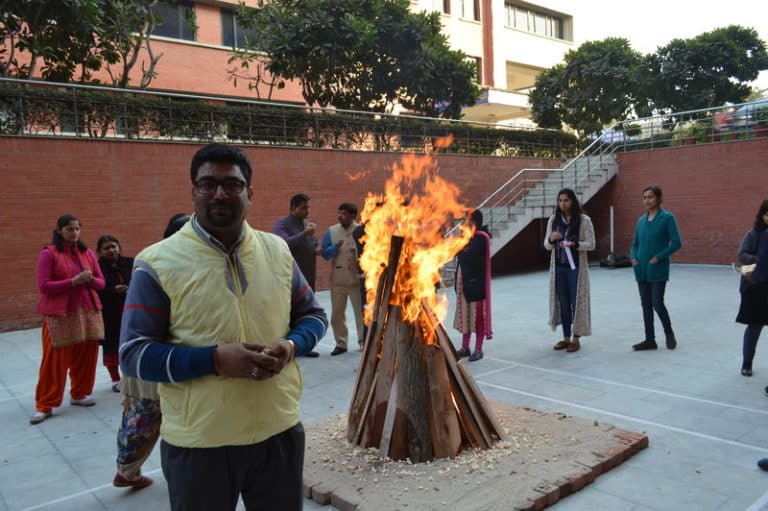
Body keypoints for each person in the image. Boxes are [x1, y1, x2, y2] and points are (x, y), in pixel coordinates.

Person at [120, 143, 327, 511]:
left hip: (278, 432)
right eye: (207, 184)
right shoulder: (157, 262)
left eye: (232, 184)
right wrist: (214, 360)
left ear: (250, 192)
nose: (219, 193)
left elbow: (313, 316)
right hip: (200, 444)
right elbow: (134, 354)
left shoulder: (277, 251)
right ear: (193, 192)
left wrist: (291, 346)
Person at [112, 214, 188, 490]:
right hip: (151, 359)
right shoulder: (160, 263)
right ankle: (127, 471)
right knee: (144, 417)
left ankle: (128, 469)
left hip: (161, 359)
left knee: (146, 416)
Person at [31, 214, 105, 425]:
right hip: (60, 314)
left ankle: (80, 393)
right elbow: (44, 286)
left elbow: (101, 283)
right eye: (70, 229)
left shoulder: (87, 253)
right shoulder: (49, 253)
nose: (74, 233)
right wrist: (73, 281)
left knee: (86, 356)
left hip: (88, 310)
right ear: (59, 230)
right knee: (54, 360)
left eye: (77, 229)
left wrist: (89, 280)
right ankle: (45, 404)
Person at [631, 185, 682, 351]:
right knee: (646, 304)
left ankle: (669, 333)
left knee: (657, 303)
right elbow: (635, 244)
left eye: (651, 197)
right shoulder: (641, 220)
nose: (647, 200)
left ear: (659, 199)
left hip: (658, 268)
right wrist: (633, 257)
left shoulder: (667, 218)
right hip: (641, 269)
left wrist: (658, 257)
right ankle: (650, 340)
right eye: (644, 197)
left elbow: (676, 243)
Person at [543, 188, 595, 353]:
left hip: (576, 268)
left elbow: (591, 244)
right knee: (563, 302)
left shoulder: (583, 220)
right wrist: (551, 239)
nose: (563, 204)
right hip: (559, 267)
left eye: (566, 200)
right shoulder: (554, 220)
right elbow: (546, 245)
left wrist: (576, 244)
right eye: (560, 201)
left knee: (576, 302)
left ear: (573, 201)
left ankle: (576, 338)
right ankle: (566, 338)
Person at [273, 193, 321, 357]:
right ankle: (284, 346)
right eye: (304, 208)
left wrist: (325, 250)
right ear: (293, 208)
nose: (307, 211)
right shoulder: (282, 224)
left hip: (308, 274)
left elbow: (314, 246)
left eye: (308, 208)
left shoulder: (307, 225)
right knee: (288, 311)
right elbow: (282, 244)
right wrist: (304, 234)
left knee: (306, 312)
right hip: (290, 276)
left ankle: (303, 345)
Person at [322, 203, 364, 356]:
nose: (340, 216)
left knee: (361, 314)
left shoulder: (361, 230)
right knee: (337, 314)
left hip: (357, 280)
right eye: (339, 213)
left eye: (344, 214)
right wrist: (334, 248)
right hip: (338, 280)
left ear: (353, 216)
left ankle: (363, 341)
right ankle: (341, 343)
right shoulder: (331, 231)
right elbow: (325, 254)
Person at [453, 209, 493, 362]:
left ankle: (478, 349)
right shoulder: (467, 238)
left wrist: (459, 249)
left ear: (474, 223)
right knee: (466, 316)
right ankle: (465, 347)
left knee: (478, 318)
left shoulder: (481, 238)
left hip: (476, 284)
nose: (464, 224)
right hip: (465, 284)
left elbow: (468, 257)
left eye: (467, 221)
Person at [96, 235, 133, 392]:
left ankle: (131, 376)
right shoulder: (97, 267)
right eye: (106, 248)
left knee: (131, 343)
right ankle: (115, 379)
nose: (111, 250)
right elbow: (96, 289)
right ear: (100, 251)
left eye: (114, 246)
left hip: (130, 309)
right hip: (109, 313)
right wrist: (113, 290)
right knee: (111, 346)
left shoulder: (130, 263)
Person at [736, 200, 768, 376]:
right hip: (756, 287)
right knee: (754, 326)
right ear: (762, 215)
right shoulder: (754, 234)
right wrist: (760, 259)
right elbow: (742, 255)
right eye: (767, 214)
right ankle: (747, 363)